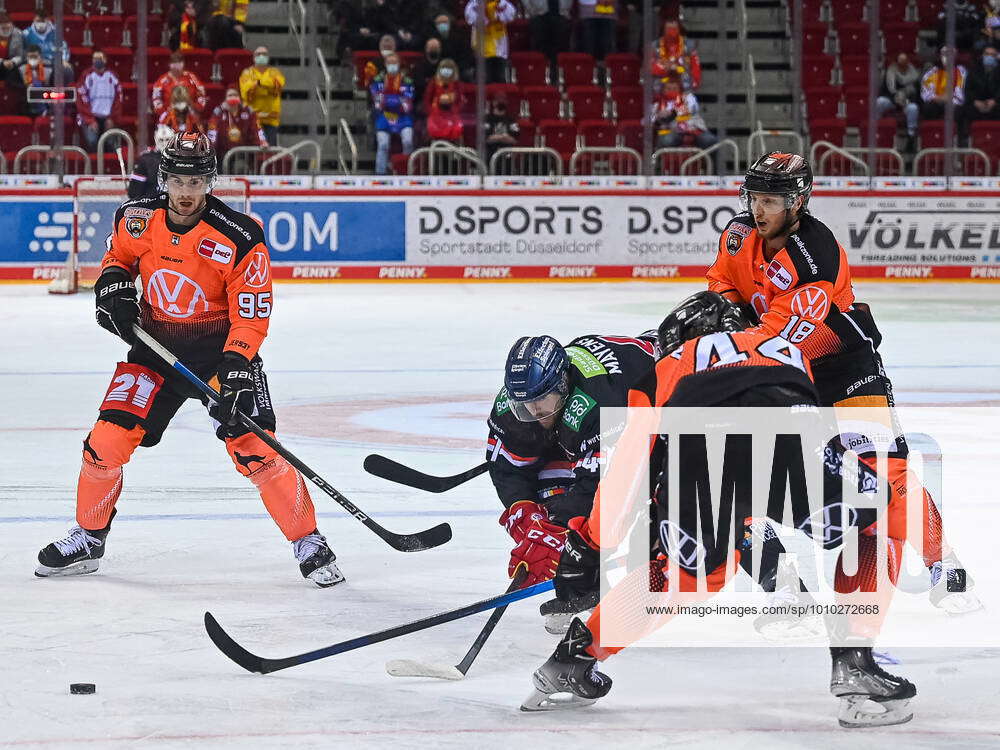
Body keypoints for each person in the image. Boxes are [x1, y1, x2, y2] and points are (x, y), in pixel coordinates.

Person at [523, 292, 917, 729]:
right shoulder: (783, 345)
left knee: (683, 576)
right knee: (881, 520)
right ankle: (854, 661)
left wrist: (589, 543)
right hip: (787, 439)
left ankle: (574, 658)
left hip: (700, 458)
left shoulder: (662, 370)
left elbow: (628, 469)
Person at [35, 131, 344, 588]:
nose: (185, 192)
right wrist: (112, 288)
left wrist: (237, 365)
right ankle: (89, 536)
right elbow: (118, 258)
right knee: (106, 442)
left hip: (220, 358)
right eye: (178, 180)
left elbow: (252, 312)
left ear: (210, 182)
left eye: (195, 182)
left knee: (256, 449)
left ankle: (308, 539)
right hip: (154, 353)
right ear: (164, 179)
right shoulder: (136, 219)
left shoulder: (240, 236)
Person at [706, 152, 979, 616]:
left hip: (844, 370)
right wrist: (721, 313)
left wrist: (723, 353)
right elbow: (722, 284)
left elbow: (774, 334)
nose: (759, 209)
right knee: (742, 469)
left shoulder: (816, 260)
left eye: (771, 200)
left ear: (798, 201)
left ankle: (942, 562)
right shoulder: (737, 235)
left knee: (885, 475)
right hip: (782, 369)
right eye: (755, 197)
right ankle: (785, 583)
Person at [487, 332, 658, 631]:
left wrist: (556, 533)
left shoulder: (596, 403)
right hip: (596, 425)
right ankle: (577, 579)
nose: (533, 413)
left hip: (665, 400)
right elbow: (507, 467)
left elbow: (601, 486)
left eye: (541, 403)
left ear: (563, 386)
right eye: (524, 406)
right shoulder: (516, 404)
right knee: (551, 495)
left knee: (634, 502)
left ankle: (588, 577)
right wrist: (526, 516)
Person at [370, 52, 414, 175]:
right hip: (384, 116)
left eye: (395, 63)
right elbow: (378, 103)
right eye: (390, 63)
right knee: (383, 144)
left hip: (403, 118)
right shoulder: (378, 80)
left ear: (399, 64)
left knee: (408, 141)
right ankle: (380, 174)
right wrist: (396, 100)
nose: (392, 65)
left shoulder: (406, 80)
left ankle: (408, 171)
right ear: (385, 64)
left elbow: (407, 104)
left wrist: (389, 100)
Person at [651, 77, 717, 151]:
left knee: (710, 141)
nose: (672, 91)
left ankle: (710, 162)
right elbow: (651, 121)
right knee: (666, 140)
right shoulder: (657, 104)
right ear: (663, 90)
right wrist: (658, 118)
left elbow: (691, 107)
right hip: (673, 132)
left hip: (694, 129)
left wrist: (672, 113)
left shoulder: (689, 98)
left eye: (675, 88)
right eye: (668, 88)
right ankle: (656, 161)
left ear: (680, 89)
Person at [208, 87, 267, 170]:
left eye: (235, 95)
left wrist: (262, 141)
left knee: (239, 167)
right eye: (230, 95)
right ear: (225, 98)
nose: (233, 97)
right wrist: (211, 144)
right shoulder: (219, 112)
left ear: (239, 98)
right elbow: (212, 130)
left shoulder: (248, 111)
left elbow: (257, 128)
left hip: (242, 153)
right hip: (223, 152)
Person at [76, 50, 123, 152]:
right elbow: (81, 99)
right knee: (92, 141)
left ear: (105, 60)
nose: (96, 61)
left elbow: (118, 100)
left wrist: (112, 118)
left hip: (108, 117)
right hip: (91, 117)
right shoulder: (86, 76)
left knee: (110, 143)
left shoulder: (112, 76)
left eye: (99, 58)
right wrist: (90, 120)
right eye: (94, 58)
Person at [920, 47, 968, 145]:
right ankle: (931, 138)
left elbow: (961, 92)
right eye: (944, 54)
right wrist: (936, 98)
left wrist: (949, 99)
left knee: (958, 110)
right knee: (928, 107)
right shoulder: (933, 72)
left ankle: (957, 141)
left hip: (953, 103)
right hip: (936, 102)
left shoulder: (961, 72)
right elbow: (925, 93)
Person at [238, 46, 284, 146]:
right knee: (252, 152)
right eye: (258, 54)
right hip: (252, 119)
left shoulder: (275, 72)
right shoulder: (246, 73)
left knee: (269, 152)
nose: (261, 56)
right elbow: (246, 92)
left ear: (268, 57)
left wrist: (257, 83)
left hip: (271, 119)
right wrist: (267, 89)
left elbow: (277, 86)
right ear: (254, 57)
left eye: (264, 54)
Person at [875, 52, 921, 152]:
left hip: (907, 101)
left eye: (905, 62)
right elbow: (886, 90)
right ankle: (877, 127)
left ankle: (911, 137)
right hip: (892, 100)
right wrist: (896, 98)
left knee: (913, 108)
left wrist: (905, 99)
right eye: (900, 62)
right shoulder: (890, 71)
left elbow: (916, 93)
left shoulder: (914, 74)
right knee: (880, 101)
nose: (902, 65)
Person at [464, 0, 517, 84]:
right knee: (484, 81)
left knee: (500, 80)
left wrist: (497, 15)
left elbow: (511, 15)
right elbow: (469, 17)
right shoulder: (475, 3)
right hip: (482, 48)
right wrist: (486, 16)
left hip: (499, 49)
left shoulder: (501, 3)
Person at [153, 52, 208, 120]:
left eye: (180, 62)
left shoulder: (192, 77)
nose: (177, 65)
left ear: (183, 63)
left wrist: (196, 108)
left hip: (190, 114)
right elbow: (156, 99)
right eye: (174, 63)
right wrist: (165, 112)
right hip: (169, 116)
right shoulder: (161, 80)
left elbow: (201, 95)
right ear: (169, 64)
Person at [128, 124, 175, 199]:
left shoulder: (181, 158)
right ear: (155, 139)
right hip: (152, 204)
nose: (164, 143)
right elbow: (134, 192)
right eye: (161, 140)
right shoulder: (145, 160)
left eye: (167, 140)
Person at [651, 19, 701, 90]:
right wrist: (666, 68)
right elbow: (651, 69)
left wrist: (678, 67)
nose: (671, 32)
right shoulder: (655, 46)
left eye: (674, 29)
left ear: (679, 30)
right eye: (669, 29)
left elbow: (695, 70)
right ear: (663, 30)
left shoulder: (689, 46)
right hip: (661, 88)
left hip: (683, 88)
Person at [523, 0, 572, 72]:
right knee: (540, 49)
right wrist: (531, 10)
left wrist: (565, 9)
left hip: (561, 15)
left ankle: (558, 76)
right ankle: (539, 76)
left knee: (561, 49)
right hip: (538, 16)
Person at [423, 58, 464, 143]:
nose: (446, 70)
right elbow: (427, 100)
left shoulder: (457, 84)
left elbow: (460, 101)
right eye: (444, 68)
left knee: (456, 129)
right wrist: (431, 112)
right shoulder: (433, 82)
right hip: (436, 114)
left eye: (449, 68)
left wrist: (455, 110)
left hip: (452, 114)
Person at [429, 12, 474, 81]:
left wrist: (454, 67)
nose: (442, 25)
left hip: (458, 67)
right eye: (439, 23)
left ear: (449, 24)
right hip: (439, 68)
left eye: (444, 22)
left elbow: (465, 55)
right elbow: (431, 59)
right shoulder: (432, 39)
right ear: (436, 25)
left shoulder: (458, 37)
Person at [965, 45, 1000, 122]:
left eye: (992, 55)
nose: (989, 57)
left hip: (996, 104)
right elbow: (967, 90)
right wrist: (975, 102)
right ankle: (966, 134)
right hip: (977, 103)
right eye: (987, 54)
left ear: (997, 56)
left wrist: (995, 101)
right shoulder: (973, 70)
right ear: (982, 55)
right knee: (963, 110)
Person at [484, 94, 520, 161]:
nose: (501, 101)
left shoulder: (511, 120)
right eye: (498, 100)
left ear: (506, 102)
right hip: (490, 155)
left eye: (503, 100)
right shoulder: (487, 119)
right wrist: (504, 137)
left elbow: (514, 140)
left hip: (507, 156)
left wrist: (495, 137)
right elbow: (486, 139)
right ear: (494, 102)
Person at [19, 44, 49, 117]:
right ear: (27, 58)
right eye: (30, 57)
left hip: (44, 99)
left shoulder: (49, 69)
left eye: (35, 57)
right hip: (26, 103)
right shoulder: (20, 69)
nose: (33, 59)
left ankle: (44, 111)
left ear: (40, 57)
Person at [0, 12, 26, 87]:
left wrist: (12, 62)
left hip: (12, 65)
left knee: (19, 71)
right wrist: (2, 62)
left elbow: (20, 55)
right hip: (1, 63)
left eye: (8, 27)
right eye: (3, 27)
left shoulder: (18, 34)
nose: (6, 29)